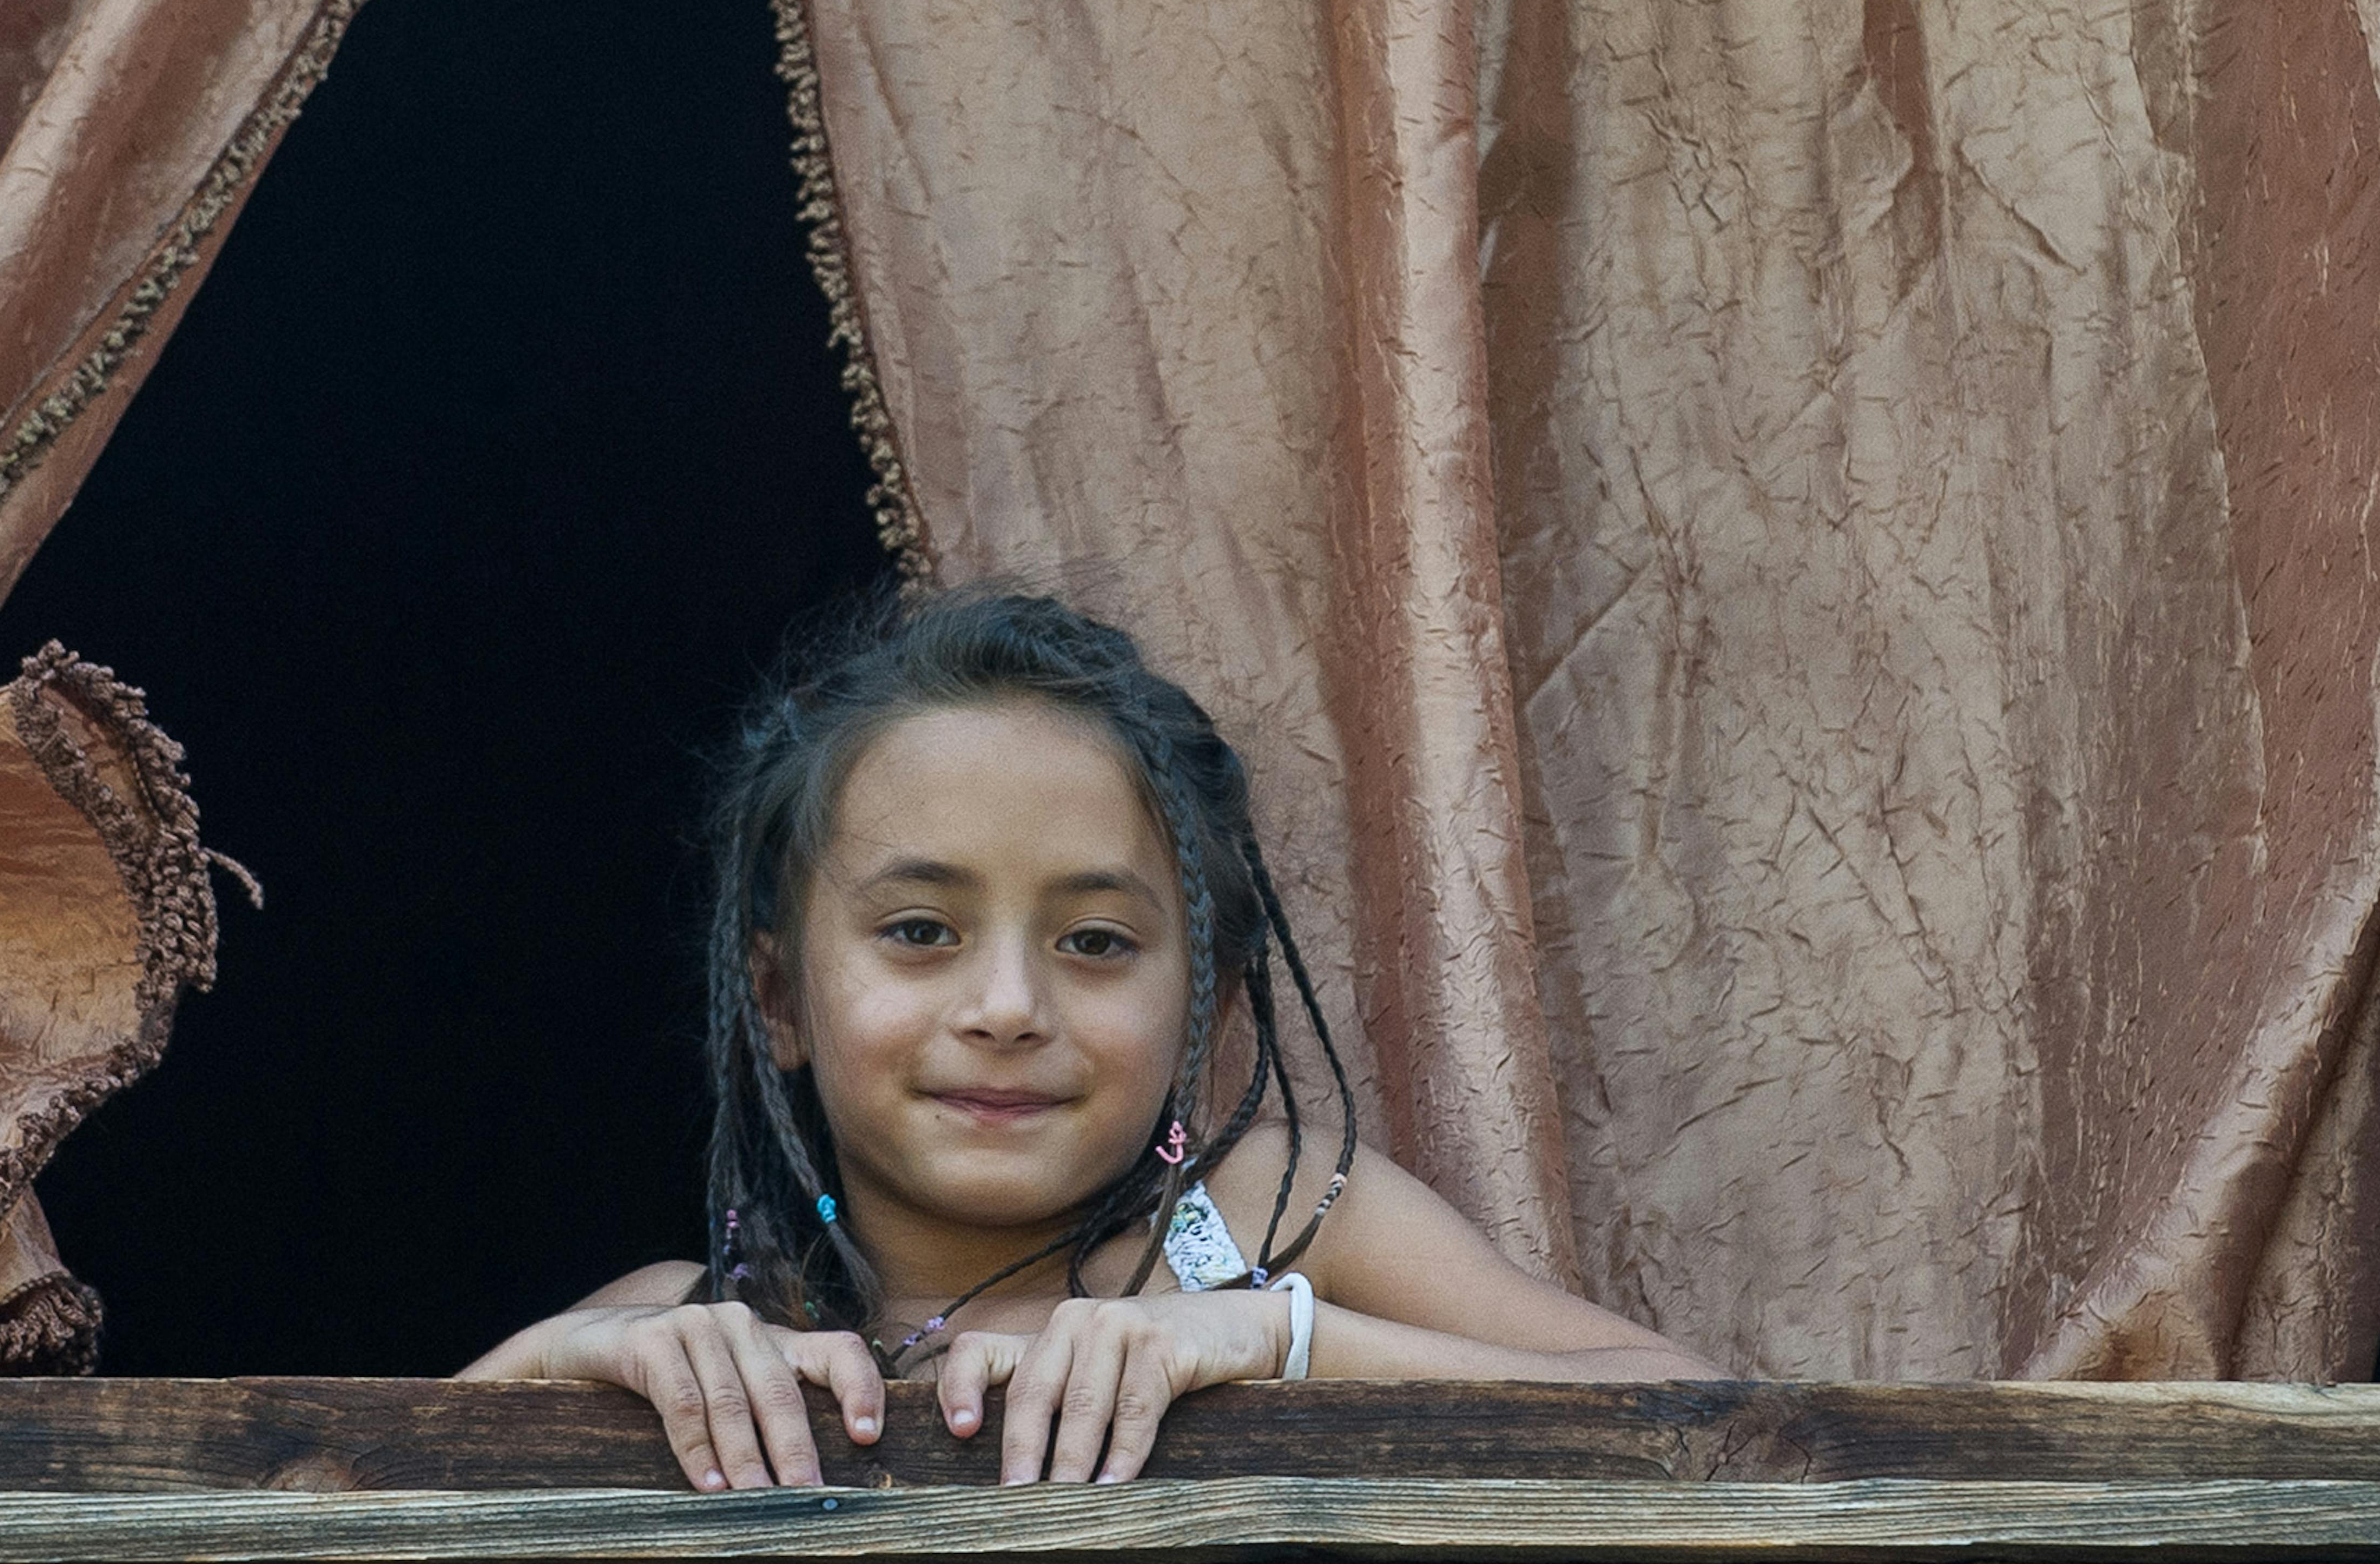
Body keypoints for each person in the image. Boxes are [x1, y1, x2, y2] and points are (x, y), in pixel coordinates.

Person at [461, 585, 1721, 1488]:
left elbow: (1724, 1423)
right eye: (918, 931)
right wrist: (553, 1365)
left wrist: (1280, 1338)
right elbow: (299, 1525)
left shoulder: (1263, 1226)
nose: (1007, 1006)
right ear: (780, 1001)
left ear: (1206, 1008)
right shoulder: (695, 1311)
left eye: (1095, 943)